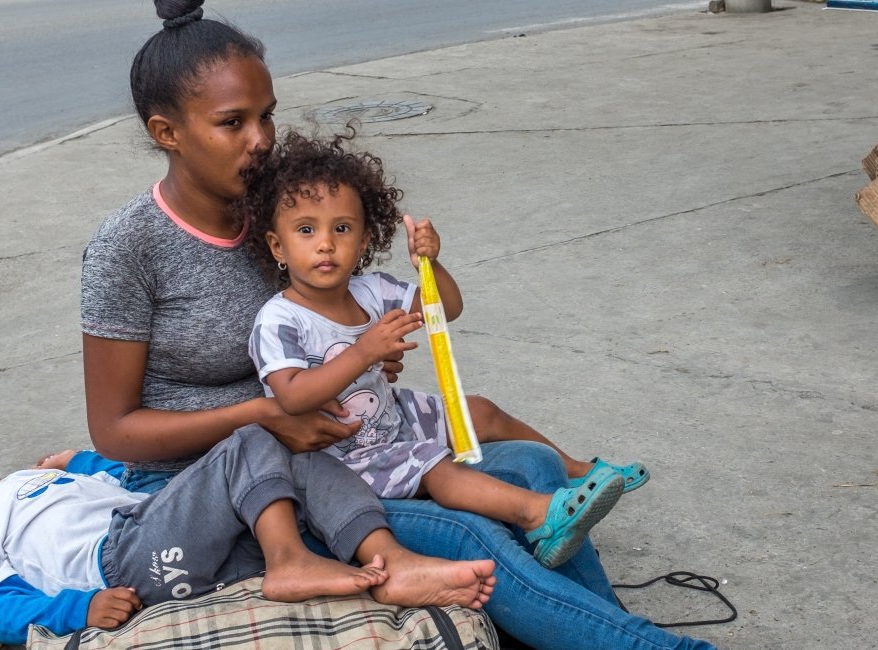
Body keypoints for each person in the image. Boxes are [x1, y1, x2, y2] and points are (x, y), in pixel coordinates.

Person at [80, 1, 714, 647]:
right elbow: (114, 431)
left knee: (527, 463)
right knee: (471, 535)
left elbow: (338, 316)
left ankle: (602, 630)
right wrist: (267, 414)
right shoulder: (130, 248)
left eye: (266, 114)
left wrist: (366, 353)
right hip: (238, 490)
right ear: (167, 132)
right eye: (232, 122)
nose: (262, 139)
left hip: (347, 436)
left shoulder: (287, 210)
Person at [236, 130, 629, 569]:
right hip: (338, 458)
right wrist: (365, 351)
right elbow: (291, 396)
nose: (325, 243)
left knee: (479, 411)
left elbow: (447, 308)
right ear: (278, 246)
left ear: (364, 241)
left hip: (392, 416)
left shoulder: (373, 290)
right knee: (436, 465)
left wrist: (430, 264)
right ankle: (537, 515)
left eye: (342, 228)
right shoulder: (279, 320)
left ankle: (579, 471)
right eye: (306, 229)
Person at [0, 427, 496, 644]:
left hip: (170, 545)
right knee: (253, 441)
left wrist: (83, 465)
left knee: (295, 459)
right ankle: (288, 562)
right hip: (124, 563)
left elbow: (146, 491)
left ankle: (391, 561)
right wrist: (76, 608)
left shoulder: (35, 482)